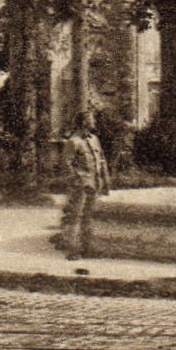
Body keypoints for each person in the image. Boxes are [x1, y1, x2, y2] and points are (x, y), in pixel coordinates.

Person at [59, 111, 111, 261]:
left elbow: (101, 160)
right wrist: (79, 182)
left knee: (89, 216)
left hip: (94, 184)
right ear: (84, 123)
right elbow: (66, 164)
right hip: (81, 187)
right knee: (75, 216)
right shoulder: (74, 142)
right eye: (91, 119)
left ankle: (87, 248)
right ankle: (72, 250)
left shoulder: (94, 139)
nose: (94, 121)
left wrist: (105, 180)